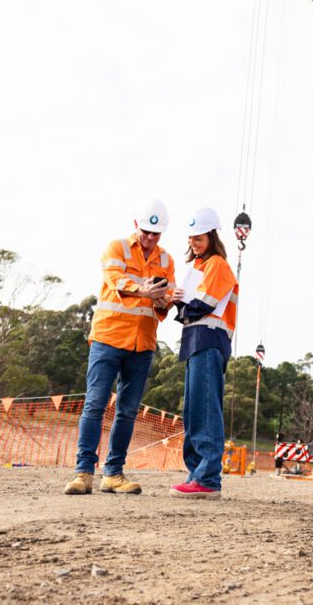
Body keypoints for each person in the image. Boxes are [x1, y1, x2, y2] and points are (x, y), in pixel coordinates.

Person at [64, 199, 175, 495]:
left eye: (157, 234)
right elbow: (115, 280)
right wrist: (143, 290)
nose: (151, 239)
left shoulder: (167, 260)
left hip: (143, 345)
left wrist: (165, 301)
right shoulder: (116, 248)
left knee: (127, 411)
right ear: (136, 224)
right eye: (147, 232)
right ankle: (83, 473)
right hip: (109, 339)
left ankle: (113, 473)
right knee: (95, 404)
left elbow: (164, 306)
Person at [169, 207, 238, 500]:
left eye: (199, 238)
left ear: (212, 235)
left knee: (206, 408)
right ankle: (197, 473)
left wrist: (178, 304)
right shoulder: (198, 266)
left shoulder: (217, 265)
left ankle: (208, 478)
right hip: (196, 339)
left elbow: (203, 303)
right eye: (191, 238)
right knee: (194, 409)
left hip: (210, 339)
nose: (194, 243)